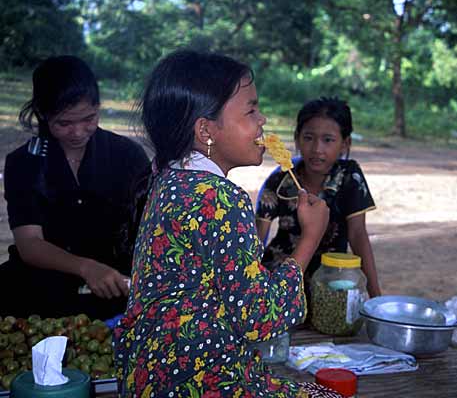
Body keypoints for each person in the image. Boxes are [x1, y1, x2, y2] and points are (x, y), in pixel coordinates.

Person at [113, 50, 343, 397]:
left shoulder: (168, 178)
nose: (263, 120)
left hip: (150, 376)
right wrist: (310, 238)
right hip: (196, 380)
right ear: (206, 130)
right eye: (251, 110)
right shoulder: (218, 198)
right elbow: (259, 319)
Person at [0, 55, 150, 319]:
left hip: (115, 291)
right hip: (41, 291)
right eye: (64, 123)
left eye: (89, 119)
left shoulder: (128, 156)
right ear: (44, 115)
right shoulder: (23, 163)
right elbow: (30, 243)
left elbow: (148, 232)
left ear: (98, 108)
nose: (78, 132)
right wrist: (86, 268)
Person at [256, 97, 382, 297]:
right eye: (308, 138)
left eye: (328, 140)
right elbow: (258, 237)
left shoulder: (350, 177)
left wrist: (376, 297)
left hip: (331, 277)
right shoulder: (281, 179)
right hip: (283, 275)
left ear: (345, 143)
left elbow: (358, 235)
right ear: (297, 139)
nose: (317, 149)